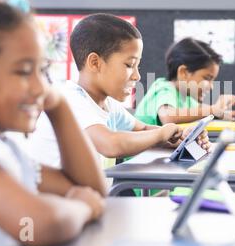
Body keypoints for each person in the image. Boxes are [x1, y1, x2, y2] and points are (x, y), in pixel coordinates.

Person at [0, 0, 106, 246]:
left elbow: (91, 188)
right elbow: (36, 224)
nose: (40, 88)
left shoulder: (0, 148)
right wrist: (83, 208)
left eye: (43, 70)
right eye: (24, 71)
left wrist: (58, 106)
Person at [28, 14, 211, 171]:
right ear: (95, 63)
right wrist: (162, 134)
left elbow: (145, 130)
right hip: (55, 207)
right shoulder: (70, 100)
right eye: (130, 65)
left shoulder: (108, 105)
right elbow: (111, 144)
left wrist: (182, 138)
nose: (137, 76)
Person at [135, 37, 235, 126]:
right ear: (183, 72)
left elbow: (198, 111)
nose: (212, 87)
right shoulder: (164, 89)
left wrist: (223, 113)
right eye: (207, 78)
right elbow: (168, 117)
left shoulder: (187, 96)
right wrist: (213, 109)